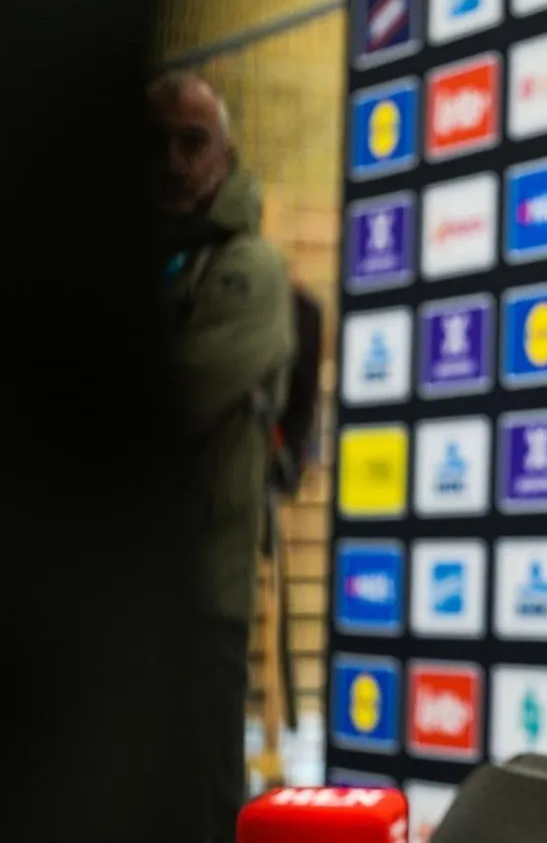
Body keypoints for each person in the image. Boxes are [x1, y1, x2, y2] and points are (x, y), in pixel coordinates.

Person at [146, 69, 296, 843]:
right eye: (157, 144)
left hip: (202, 588)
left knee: (199, 799)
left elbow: (175, 401)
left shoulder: (251, 266)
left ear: (225, 156)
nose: (172, 161)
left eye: (192, 142)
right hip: (114, 590)